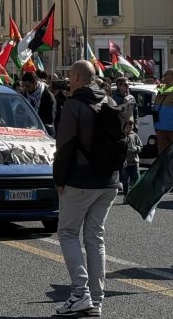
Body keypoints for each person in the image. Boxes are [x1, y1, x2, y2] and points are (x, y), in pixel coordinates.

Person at [52, 59, 120, 317]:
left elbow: (65, 146)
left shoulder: (74, 105)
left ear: (78, 78)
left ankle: (80, 294)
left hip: (81, 179)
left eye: (70, 76)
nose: (68, 81)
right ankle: (97, 300)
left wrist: (59, 180)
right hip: (109, 180)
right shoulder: (110, 101)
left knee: (68, 233)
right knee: (95, 238)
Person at [121, 118, 142, 198]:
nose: (129, 128)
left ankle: (135, 196)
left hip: (134, 162)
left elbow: (140, 147)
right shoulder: (122, 136)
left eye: (130, 126)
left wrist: (136, 148)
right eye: (127, 127)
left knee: (136, 180)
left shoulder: (135, 136)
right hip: (125, 163)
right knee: (125, 181)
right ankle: (126, 196)